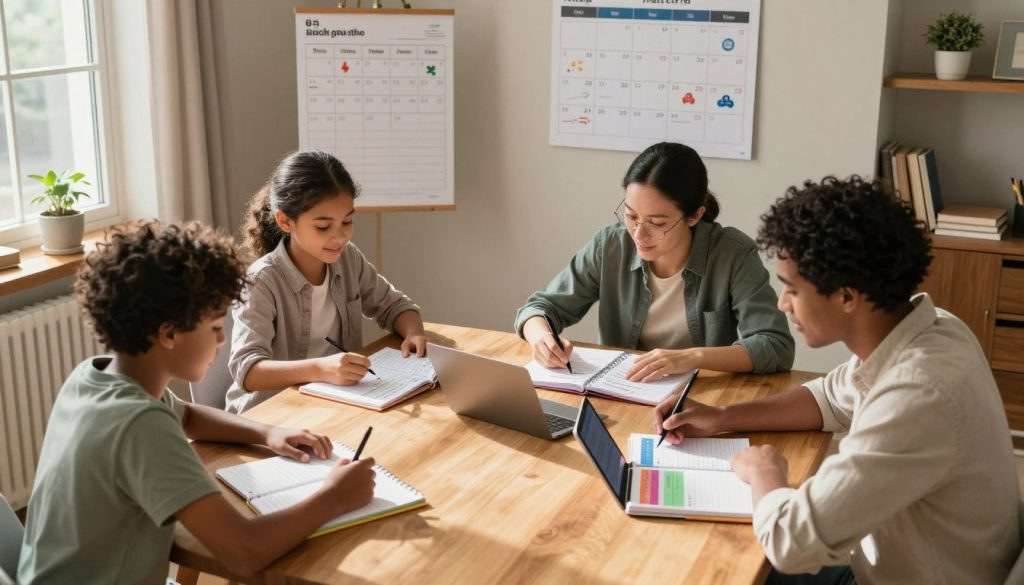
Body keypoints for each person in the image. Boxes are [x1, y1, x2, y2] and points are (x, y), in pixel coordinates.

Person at [655, 176, 1020, 584]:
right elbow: (828, 398)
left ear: (847, 296)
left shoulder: (918, 395)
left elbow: (790, 542)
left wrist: (765, 472)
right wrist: (722, 416)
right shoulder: (933, 330)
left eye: (792, 289)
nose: (782, 304)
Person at [18, 221, 378, 584]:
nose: (222, 341)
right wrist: (335, 496)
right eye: (215, 328)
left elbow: (186, 416)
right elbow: (243, 551)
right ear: (170, 333)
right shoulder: (140, 424)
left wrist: (267, 432)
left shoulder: (95, 378)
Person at [515, 142, 793, 378]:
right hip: (622, 390)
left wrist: (691, 358)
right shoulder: (611, 245)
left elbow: (775, 345)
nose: (639, 233)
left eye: (657, 223)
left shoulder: (733, 254)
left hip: (701, 400)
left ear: (695, 216)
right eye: (631, 216)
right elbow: (540, 307)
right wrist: (541, 338)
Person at [226, 150, 426, 413]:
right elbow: (248, 371)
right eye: (323, 227)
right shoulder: (261, 281)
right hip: (270, 415)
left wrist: (414, 332)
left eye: (347, 221)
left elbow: (395, 306)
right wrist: (321, 369)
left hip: (336, 404)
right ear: (285, 221)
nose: (340, 236)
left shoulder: (347, 259)